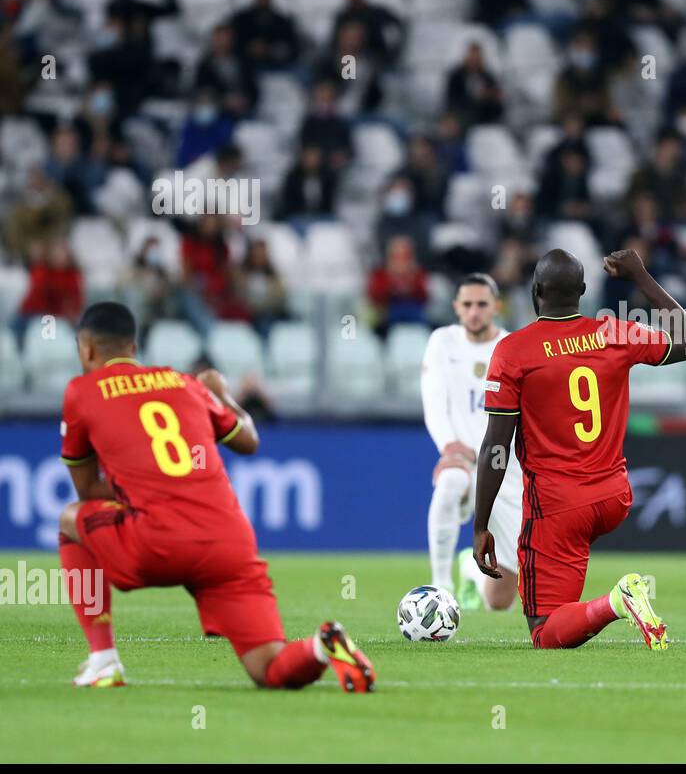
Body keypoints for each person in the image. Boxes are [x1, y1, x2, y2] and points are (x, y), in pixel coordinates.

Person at [56, 302, 374, 691]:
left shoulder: (81, 391)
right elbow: (249, 440)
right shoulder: (185, 383)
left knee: (71, 519)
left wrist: (142, 484)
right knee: (270, 669)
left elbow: (87, 489)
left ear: (86, 349)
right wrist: (223, 395)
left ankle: (104, 661)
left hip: (156, 543)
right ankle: (322, 647)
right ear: (134, 347)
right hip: (228, 543)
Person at [472, 248, 686, 649]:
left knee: (545, 631)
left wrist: (481, 524)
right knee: (564, 611)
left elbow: (497, 445)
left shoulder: (514, 351)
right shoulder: (614, 332)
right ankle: (617, 602)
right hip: (613, 495)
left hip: (559, 506)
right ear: (582, 290)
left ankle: (618, 601)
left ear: (536, 289)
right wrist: (641, 276)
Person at [421, 274, 525, 612]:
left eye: (482, 304)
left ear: (496, 307)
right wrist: (448, 445)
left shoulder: (512, 347)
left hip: (503, 468)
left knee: (500, 600)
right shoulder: (442, 342)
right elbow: (433, 400)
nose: (474, 312)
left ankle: (469, 569)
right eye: (467, 305)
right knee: (450, 481)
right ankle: (441, 587)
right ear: (456, 307)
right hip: (462, 456)